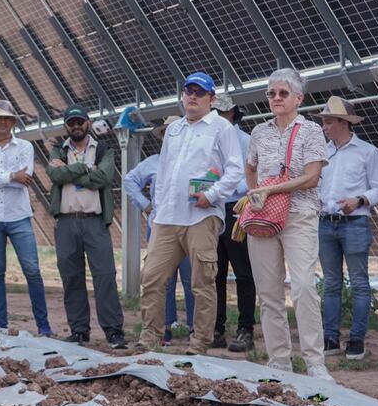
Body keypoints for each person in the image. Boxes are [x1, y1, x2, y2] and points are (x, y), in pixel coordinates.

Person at [136, 74, 244, 356]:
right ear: (182, 95)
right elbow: (165, 172)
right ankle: (150, 338)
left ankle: (200, 343)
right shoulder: (173, 130)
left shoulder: (222, 128)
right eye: (188, 91)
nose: (193, 97)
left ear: (211, 99)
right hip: (168, 217)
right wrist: (157, 210)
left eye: (199, 92)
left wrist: (213, 195)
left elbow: (235, 170)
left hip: (200, 216)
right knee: (151, 277)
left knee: (202, 282)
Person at [245, 67, 332, 381]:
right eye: (271, 93)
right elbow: (250, 166)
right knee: (268, 293)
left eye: (283, 93)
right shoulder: (259, 132)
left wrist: (269, 190)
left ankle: (315, 363)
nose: (276, 98)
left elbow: (312, 177)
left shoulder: (310, 130)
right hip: (264, 218)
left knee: (305, 286)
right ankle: (279, 361)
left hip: (299, 215)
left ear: (299, 98)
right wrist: (255, 193)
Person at [0, 100, 52, 337]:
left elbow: (24, 179)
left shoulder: (25, 147)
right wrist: (9, 176)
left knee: (32, 269)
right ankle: (1, 324)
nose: (3, 122)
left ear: (13, 122)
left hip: (18, 216)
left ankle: (43, 325)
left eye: (7, 118)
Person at [48, 105, 126, 348]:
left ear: (88, 122)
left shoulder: (103, 149)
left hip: (94, 221)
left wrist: (69, 170)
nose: (76, 126)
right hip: (67, 221)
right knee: (71, 277)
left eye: (79, 121)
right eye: (71, 123)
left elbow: (103, 177)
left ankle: (113, 331)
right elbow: (55, 176)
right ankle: (79, 330)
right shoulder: (56, 150)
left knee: (105, 276)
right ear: (66, 126)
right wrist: (84, 169)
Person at [317, 96, 378, 361]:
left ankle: (356, 339)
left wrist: (359, 200)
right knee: (330, 283)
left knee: (359, 283)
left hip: (355, 222)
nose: (324, 127)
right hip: (325, 222)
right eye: (324, 122)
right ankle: (330, 337)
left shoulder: (368, 152)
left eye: (329, 122)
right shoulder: (322, 153)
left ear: (344, 123)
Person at [122, 116, 195, 345]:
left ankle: (195, 328)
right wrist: (146, 205)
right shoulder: (153, 162)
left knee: (192, 278)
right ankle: (164, 327)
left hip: (190, 225)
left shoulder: (196, 161)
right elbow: (129, 180)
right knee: (161, 280)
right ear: (163, 137)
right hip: (160, 227)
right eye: (167, 134)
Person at [212, 93, 256, 353]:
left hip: (237, 209)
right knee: (213, 273)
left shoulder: (246, 141)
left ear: (233, 114)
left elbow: (251, 180)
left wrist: (221, 187)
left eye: (223, 112)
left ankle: (245, 328)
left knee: (243, 272)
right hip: (212, 209)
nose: (218, 117)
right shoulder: (207, 140)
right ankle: (216, 328)